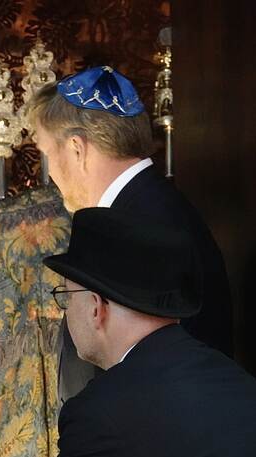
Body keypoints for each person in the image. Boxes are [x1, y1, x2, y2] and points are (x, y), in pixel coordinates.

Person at [0, 207, 256, 457]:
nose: (66, 314)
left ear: (95, 307)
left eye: (65, 297)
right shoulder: (240, 384)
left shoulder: (103, 411)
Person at [26, 66, 234, 402]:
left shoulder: (145, 224)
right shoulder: (148, 209)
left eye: (50, 154)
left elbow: (160, 373)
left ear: (77, 149)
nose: (52, 175)